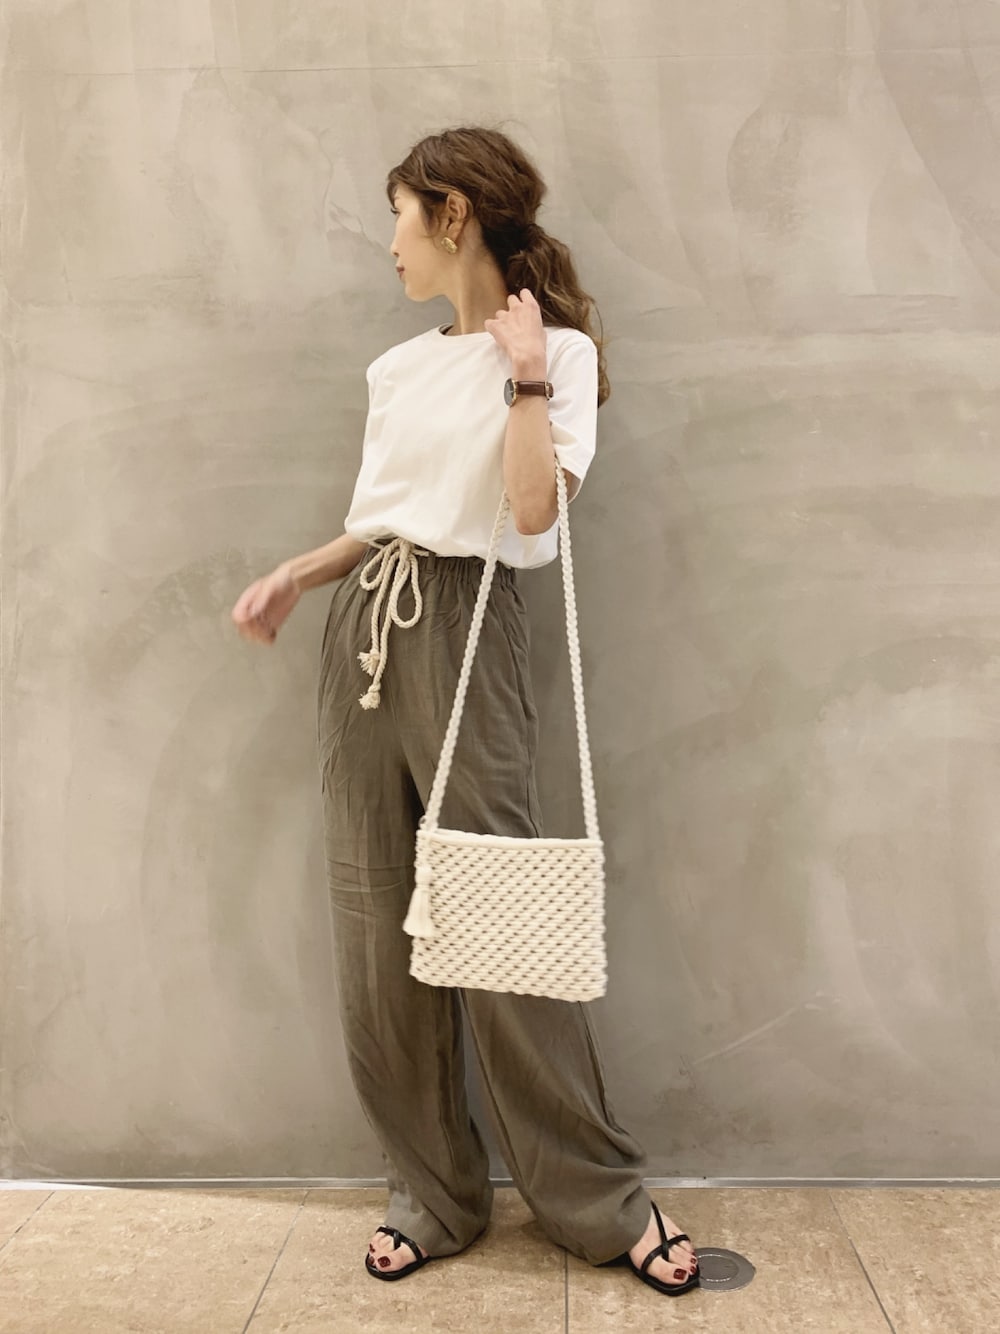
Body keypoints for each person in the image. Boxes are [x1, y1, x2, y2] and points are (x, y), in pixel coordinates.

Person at [231, 126, 700, 1298]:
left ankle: (597, 1198)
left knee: (497, 919)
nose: (387, 243)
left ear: (453, 216)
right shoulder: (395, 370)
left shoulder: (560, 355)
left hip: (469, 624)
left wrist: (526, 371)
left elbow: (532, 513)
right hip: (366, 633)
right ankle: (431, 1189)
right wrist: (296, 573)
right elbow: (382, 518)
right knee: (372, 920)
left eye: (399, 216)